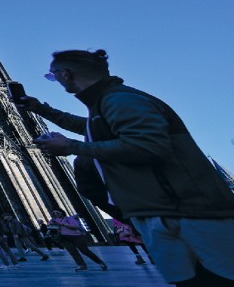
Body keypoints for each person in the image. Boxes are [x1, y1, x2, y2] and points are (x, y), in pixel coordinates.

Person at [22, 49, 234, 285]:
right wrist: (40, 109)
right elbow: (90, 128)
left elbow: (149, 147)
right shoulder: (105, 103)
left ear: (66, 74)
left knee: (217, 280)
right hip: (163, 212)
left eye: (53, 76)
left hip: (188, 213)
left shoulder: (121, 100)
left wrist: (72, 147)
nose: (55, 81)